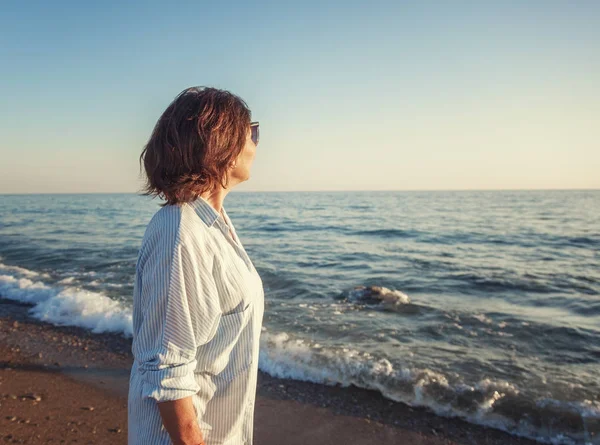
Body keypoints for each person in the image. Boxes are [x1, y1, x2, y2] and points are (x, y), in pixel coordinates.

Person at [128, 86, 264, 445]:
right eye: (252, 131)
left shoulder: (213, 224)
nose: (256, 142)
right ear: (222, 144)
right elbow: (167, 370)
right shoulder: (181, 232)